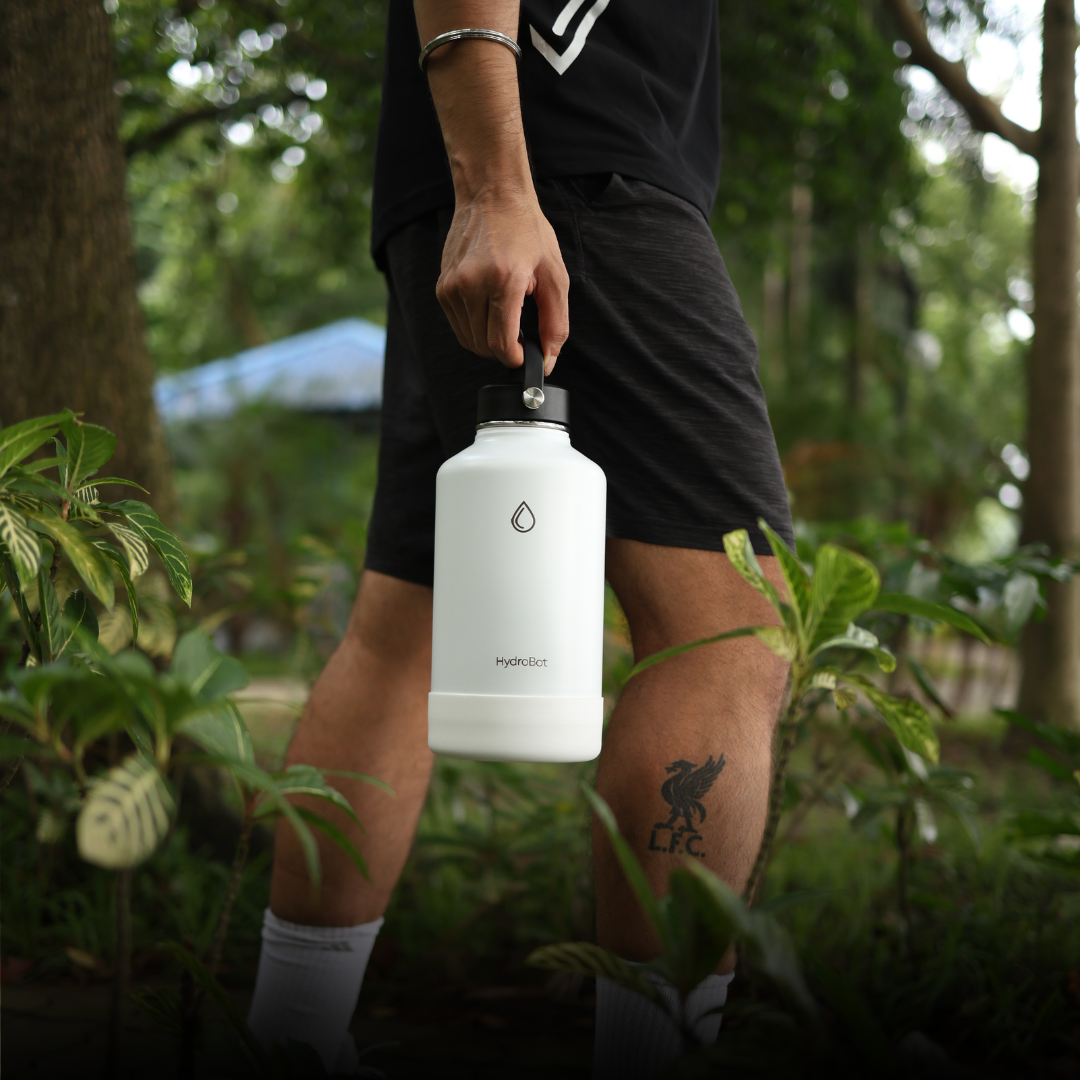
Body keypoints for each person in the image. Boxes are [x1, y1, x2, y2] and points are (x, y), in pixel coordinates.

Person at [247, 2, 794, 1075]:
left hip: (505, 165)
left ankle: (286, 1038)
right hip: (563, 148)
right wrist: (498, 186)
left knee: (411, 616)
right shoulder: (537, 164)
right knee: (728, 624)